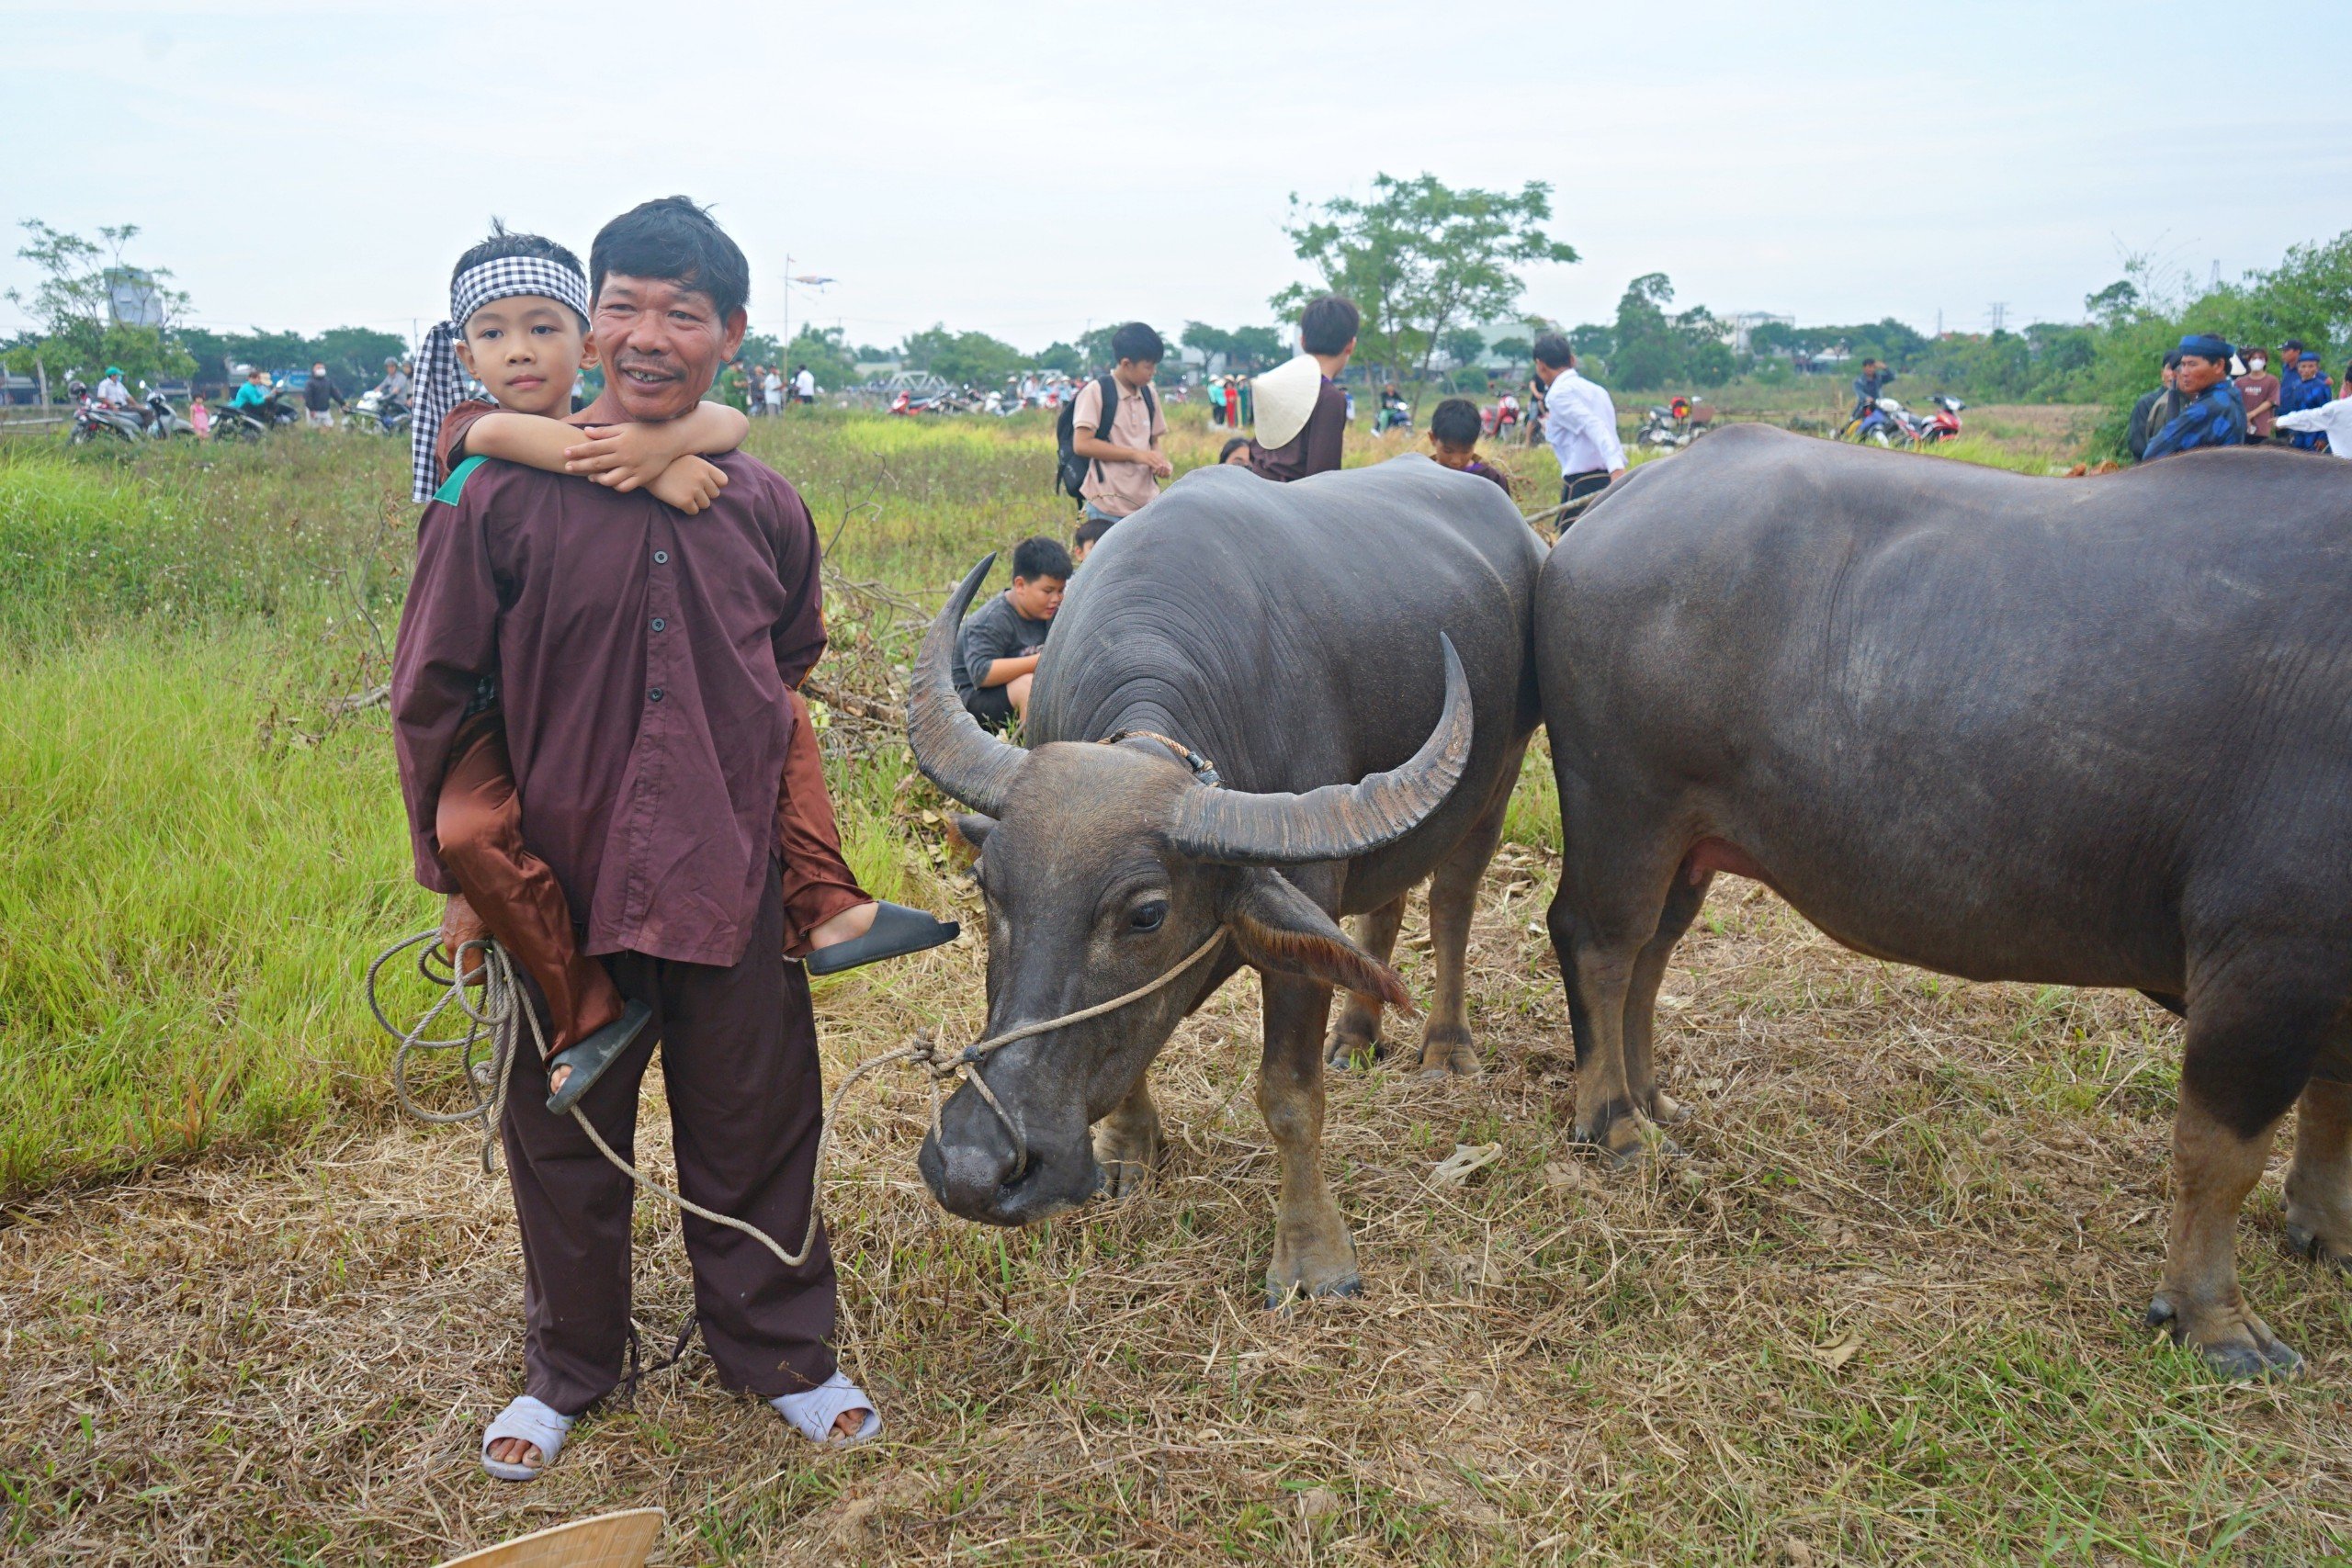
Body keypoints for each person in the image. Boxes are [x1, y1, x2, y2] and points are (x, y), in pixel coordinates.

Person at [392, 199, 901, 1482]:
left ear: (731, 334)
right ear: (592, 315)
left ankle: (780, 1351)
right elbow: (436, 693)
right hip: (560, 879)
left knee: (758, 1117)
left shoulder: (765, 504)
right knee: (562, 1132)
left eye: (684, 311)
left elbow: (784, 657)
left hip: (726, 876)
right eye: (623, 302)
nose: (647, 332)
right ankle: (570, 1365)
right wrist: (458, 879)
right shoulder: (494, 498)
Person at [952, 534, 1067, 732]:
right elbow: (982, 673)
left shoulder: (1052, 613)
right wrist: (1043, 661)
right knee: (1026, 686)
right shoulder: (991, 619)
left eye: (1061, 590)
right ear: (1020, 585)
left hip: (1010, 695)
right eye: (1048, 591)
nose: (1057, 598)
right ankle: (1033, 754)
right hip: (969, 703)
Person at [1068, 321, 1171, 525]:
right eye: (1148, 366)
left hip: (1146, 505)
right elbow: (1082, 444)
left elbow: (1154, 442)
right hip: (1107, 506)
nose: (1153, 372)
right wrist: (1136, 455)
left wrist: (1159, 462)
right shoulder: (1096, 392)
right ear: (1126, 364)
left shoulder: (1149, 394)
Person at [1248, 295, 1356, 482]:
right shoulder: (1330, 397)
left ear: (1302, 341)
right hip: (1287, 502)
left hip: (1256, 489)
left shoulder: (1272, 383)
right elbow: (1323, 479)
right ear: (1351, 345)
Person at [1532, 332, 1626, 512]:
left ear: (1540, 365)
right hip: (1607, 479)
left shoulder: (1558, 395)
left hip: (1583, 483)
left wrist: (1616, 468)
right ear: (1572, 360)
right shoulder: (1598, 390)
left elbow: (1594, 425)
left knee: (1571, 537)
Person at [2141, 333, 2246, 460]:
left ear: (2218, 365)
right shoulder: (2232, 396)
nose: (2184, 372)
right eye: (2183, 365)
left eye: (2192, 364)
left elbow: (2153, 453)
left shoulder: (2208, 408)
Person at [1428, 397, 1515, 498]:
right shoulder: (1422, 475)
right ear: (1432, 438)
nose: (1456, 461)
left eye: (1465, 451)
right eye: (1448, 451)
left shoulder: (1492, 479)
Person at [2126, 350, 2181, 461]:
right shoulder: (2146, 403)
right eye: (2170, 368)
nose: (2173, 374)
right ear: (2162, 374)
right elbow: (2138, 446)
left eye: (2178, 368)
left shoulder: (2194, 401)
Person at [2278, 349, 2334, 451]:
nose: (2307, 369)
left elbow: (2327, 413)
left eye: (2311, 366)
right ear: (2298, 368)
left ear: (2317, 368)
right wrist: (2291, 429)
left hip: (2315, 433)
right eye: (2303, 366)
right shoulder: (2296, 385)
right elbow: (2293, 410)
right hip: (2298, 432)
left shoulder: (2322, 387)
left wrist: (2323, 437)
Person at [2234, 347, 2279, 445]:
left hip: (2262, 428)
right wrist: (2245, 417)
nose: (2257, 361)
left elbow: (2271, 401)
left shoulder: (2272, 381)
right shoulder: (2240, 381)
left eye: (2260, 358)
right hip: (2242, 428)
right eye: (2253, 358)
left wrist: (2252, 414)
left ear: (2265, 362)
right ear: (2249, 361)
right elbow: (2236, 402)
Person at [1849, 356, 1894, 421]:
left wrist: (1885, 368)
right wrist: (1866, 397)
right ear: (1864, 368)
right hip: (1864, 406)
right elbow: (1859, 392)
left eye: (1874, 367)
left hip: (1878, 405)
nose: (1871, 369)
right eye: (1869, 367)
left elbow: (1892, 377)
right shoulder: (1858, 381)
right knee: (1853, 422)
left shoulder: (1879, 378)